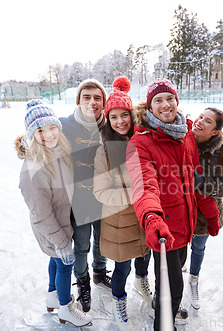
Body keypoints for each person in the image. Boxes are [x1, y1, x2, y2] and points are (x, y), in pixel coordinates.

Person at [126, 78, 220, 331]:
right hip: (164, 231)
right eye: (158, 100)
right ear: (149, 106)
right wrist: (152, 219)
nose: (165, 105)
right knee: (172, 288)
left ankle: (162, 304)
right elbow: (144, 186)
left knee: (174, 272)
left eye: (169, 99)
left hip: (185, 226)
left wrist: (211, 213)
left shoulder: (186, 134)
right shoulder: (140, 143)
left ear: (177, 101)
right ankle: (163, 324)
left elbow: (195, 177)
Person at [16, 99, 91, 327]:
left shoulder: (56, 152)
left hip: (61, 223)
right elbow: (41, 214)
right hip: (52, 228)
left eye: (52, 127)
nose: (48, 134)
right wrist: (61, 241)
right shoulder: (33, 169)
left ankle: (53, 295)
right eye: (40, 130)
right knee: (64, 264)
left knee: (56, 261)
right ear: (32, 134)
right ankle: (66, 307)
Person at [93, 77, 152, 330]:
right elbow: (100, 192)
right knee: (121, 268)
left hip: (144, 217)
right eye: (113, 116)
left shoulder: (144, 142)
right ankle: (119, 302)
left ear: (132, 115)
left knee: (145, 258)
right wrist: (135, 195)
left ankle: (143, 283)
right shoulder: (104, 150)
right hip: (119, 222)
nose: (120, 122)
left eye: (124, 115)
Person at [59, 79, 111, 312]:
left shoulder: (111, 127)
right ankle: (83, 282)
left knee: (102, 241)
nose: (92, 102)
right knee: (81, 245)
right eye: (87, 97)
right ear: (78, 100)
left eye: (97, 97)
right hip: (78, 200)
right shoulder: (63, 125)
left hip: (104, 197)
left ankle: (100, 272)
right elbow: (39, 139)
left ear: (104, 102)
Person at [189, 107, 223, 310]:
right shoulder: (182, 139)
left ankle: (193, 279)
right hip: (180, 209)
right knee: (178, 250)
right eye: (200, 116)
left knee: (198, 248)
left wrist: (200, 184)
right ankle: (176, 280)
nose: (200, 122)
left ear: (215, 131)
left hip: (205, 216)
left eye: (208, 121)